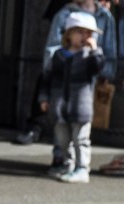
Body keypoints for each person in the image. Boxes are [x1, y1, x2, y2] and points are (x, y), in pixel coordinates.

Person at [43, 11, 105, 182]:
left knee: (81, 138)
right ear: (69, 33)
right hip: (60, 106)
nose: (85, 37)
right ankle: (68, 163)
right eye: (81, 32)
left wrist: (95, 51)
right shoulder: (59, 55)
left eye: (89, 33)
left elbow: (99, 67)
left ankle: (82, 168)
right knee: (62, 139)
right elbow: (47, 78)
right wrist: (44, 98)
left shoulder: (89, 56)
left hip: (81, 106)